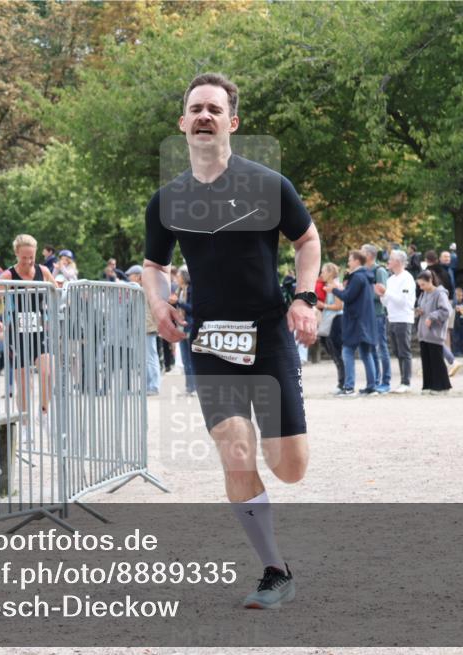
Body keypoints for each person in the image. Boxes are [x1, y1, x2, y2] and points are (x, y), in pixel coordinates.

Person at [143, 73, 319, 610]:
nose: (203, 116)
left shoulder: (268, 185)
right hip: (210, 340)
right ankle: (273, 569)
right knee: (235, 453)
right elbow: (154, 264)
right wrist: (158, 302)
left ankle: (276, 450)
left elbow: (308, 240)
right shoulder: (168, 200)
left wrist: (305, 298)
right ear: (182, 122)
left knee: (289, 467)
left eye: (214, 110)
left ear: (232, 123)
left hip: (268, 336)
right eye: (195, 108)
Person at [0, 234, 55, 419]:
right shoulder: (9, 275)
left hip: (38, 329)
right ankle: (24, 423)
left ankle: (44, 412)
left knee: (48, 373)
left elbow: (57, 293)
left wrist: (55, 313)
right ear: (17, 254)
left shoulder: (43, 271)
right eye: (24, 257)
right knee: (23, 382)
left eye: (31, 256)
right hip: (17, 332)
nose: (28, 261)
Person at [333, 250, 378, 396]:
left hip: (356, 321)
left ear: (357, 261)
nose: (348, 262)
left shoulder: (358, 277)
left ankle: (349, 387)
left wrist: (334, 290)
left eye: (350, 260)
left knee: (347, 351)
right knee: (366, 354)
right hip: (364, 320)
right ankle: (371, 387)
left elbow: (347, 296)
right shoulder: (365, 276)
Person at [377, 249, 416, 393]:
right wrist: (382, 295)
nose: (388, 261)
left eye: (391, 259)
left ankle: (406, 382)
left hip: (403, 319)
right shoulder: (390, 279)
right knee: (397, 351)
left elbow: (403, 302)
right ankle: (402, 380)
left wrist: (386, 293)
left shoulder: (407, 278)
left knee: (404, 351)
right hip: (392, 318)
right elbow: (387, 302)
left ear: (398, 262)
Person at [415, 270, 453, 393]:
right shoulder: (423, 294)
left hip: (434, 333)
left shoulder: (440, 294)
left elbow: (446, 311)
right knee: (426, 361)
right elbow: (422, 307)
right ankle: (428, 385)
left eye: (423, 285)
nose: (421, 288)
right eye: (419, 285)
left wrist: (432, 316)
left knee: (436, 361)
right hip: (423, 332)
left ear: (430, 281)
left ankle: (442, 386)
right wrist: (419, 311)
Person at [126, 265, 162, 395]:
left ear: (138, 276)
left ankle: (153, 386)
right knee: (146, 358)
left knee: (150, 358)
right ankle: (148, 386)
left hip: (147, 328)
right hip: (142, 328)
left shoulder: (147, 289)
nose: (129, 278)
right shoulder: (142, 289)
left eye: (131, 276)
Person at [362, 244, 391, 393]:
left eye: (362, 252)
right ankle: (374, 381)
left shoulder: (379, 270)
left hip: (378, 314)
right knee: (371, 348)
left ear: (368, 254)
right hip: (367, 315)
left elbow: (382, 293)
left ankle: (385, 381)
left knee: (382, 348)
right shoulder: (363, 271)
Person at [316, 263, 345, 393]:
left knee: (337, 353)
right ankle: (341, 383)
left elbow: (339, 306)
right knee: (332, 352)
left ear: (331, 273)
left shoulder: (336, 286)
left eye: (323, 271)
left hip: (336, 321)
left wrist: (324, 305)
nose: (321, 274)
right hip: (329, 321)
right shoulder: (328, 287)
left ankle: (342, 383)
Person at [168, 265, 196, 396]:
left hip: (190, 326)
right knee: (185, 360)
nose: (176, 278)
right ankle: (189, 388)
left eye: (178, 276)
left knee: (191, 359)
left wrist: (178, 302)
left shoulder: (191, 290)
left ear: (184, 276)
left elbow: (192, 309)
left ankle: (195, 388)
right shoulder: (179, 290)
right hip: (181, 327)